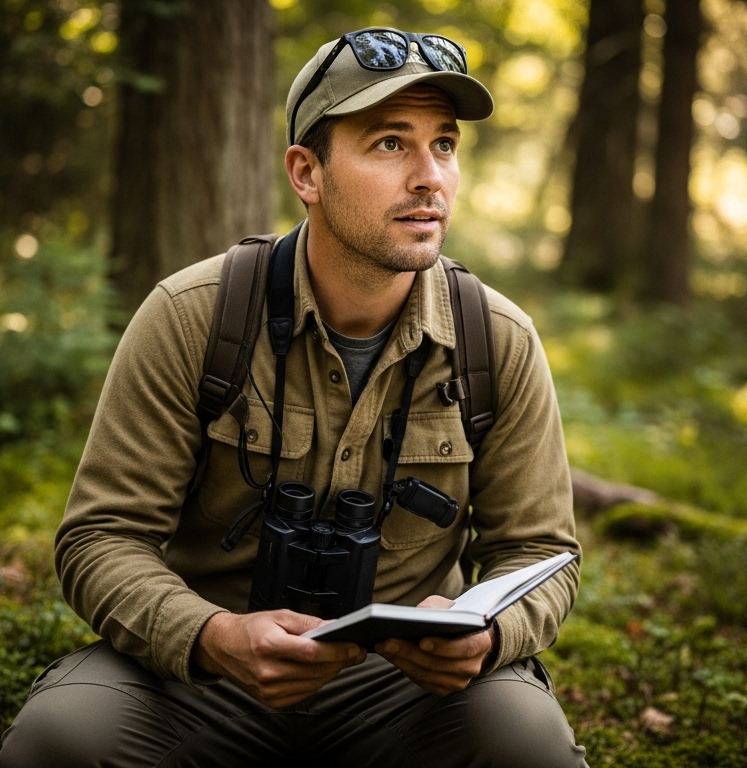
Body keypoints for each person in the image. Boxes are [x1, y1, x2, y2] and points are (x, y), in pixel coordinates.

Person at [0, 28, 586, 767]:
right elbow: (99, 538)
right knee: (59, 742)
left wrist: (491, 633)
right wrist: (208, 635)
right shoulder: (193, 316)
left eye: (444, 144)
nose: (430, 177)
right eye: (389, 145)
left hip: (405, 689)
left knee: (526, 746)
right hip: (199, 676)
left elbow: (543, 551)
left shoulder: (495, 339)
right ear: (306, 173)